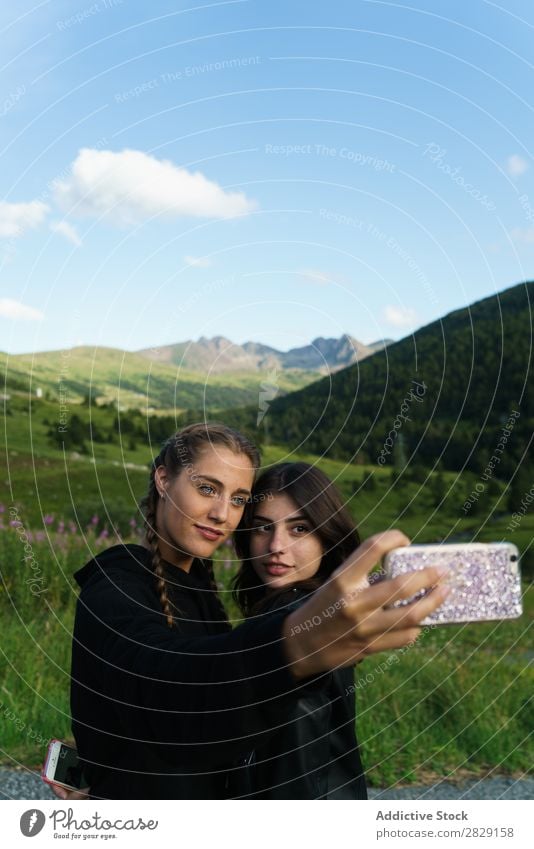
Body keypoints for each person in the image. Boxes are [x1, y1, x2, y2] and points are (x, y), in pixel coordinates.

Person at [64, 421, 449, 800]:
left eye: (237, 499)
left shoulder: (203, 591)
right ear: (164, 480)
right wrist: (291, 648)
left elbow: (222, 726)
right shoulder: (116, 586)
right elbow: (161, 683)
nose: (221, 513)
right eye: (206, 488)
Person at [231, 461, 368, 798]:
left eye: (299, 529)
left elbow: (293, 758)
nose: (277, 546)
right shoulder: (319, 610)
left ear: (327, 537)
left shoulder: (294, 621)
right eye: (263, 528)